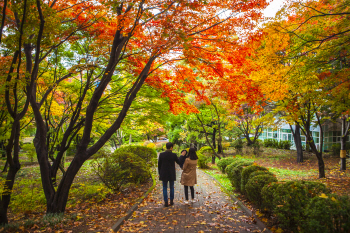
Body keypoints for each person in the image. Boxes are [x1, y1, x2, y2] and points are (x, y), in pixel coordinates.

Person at [158, 142, 180, 207]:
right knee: (171, 187)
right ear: (171, 147)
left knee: (164, 187)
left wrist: (160, 173)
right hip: (171, 173)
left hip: (163, 173)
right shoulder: (174, 155)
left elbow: (159, 165)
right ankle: (171, 201)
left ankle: (166, 202)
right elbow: (178, 162)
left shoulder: (161, 155)